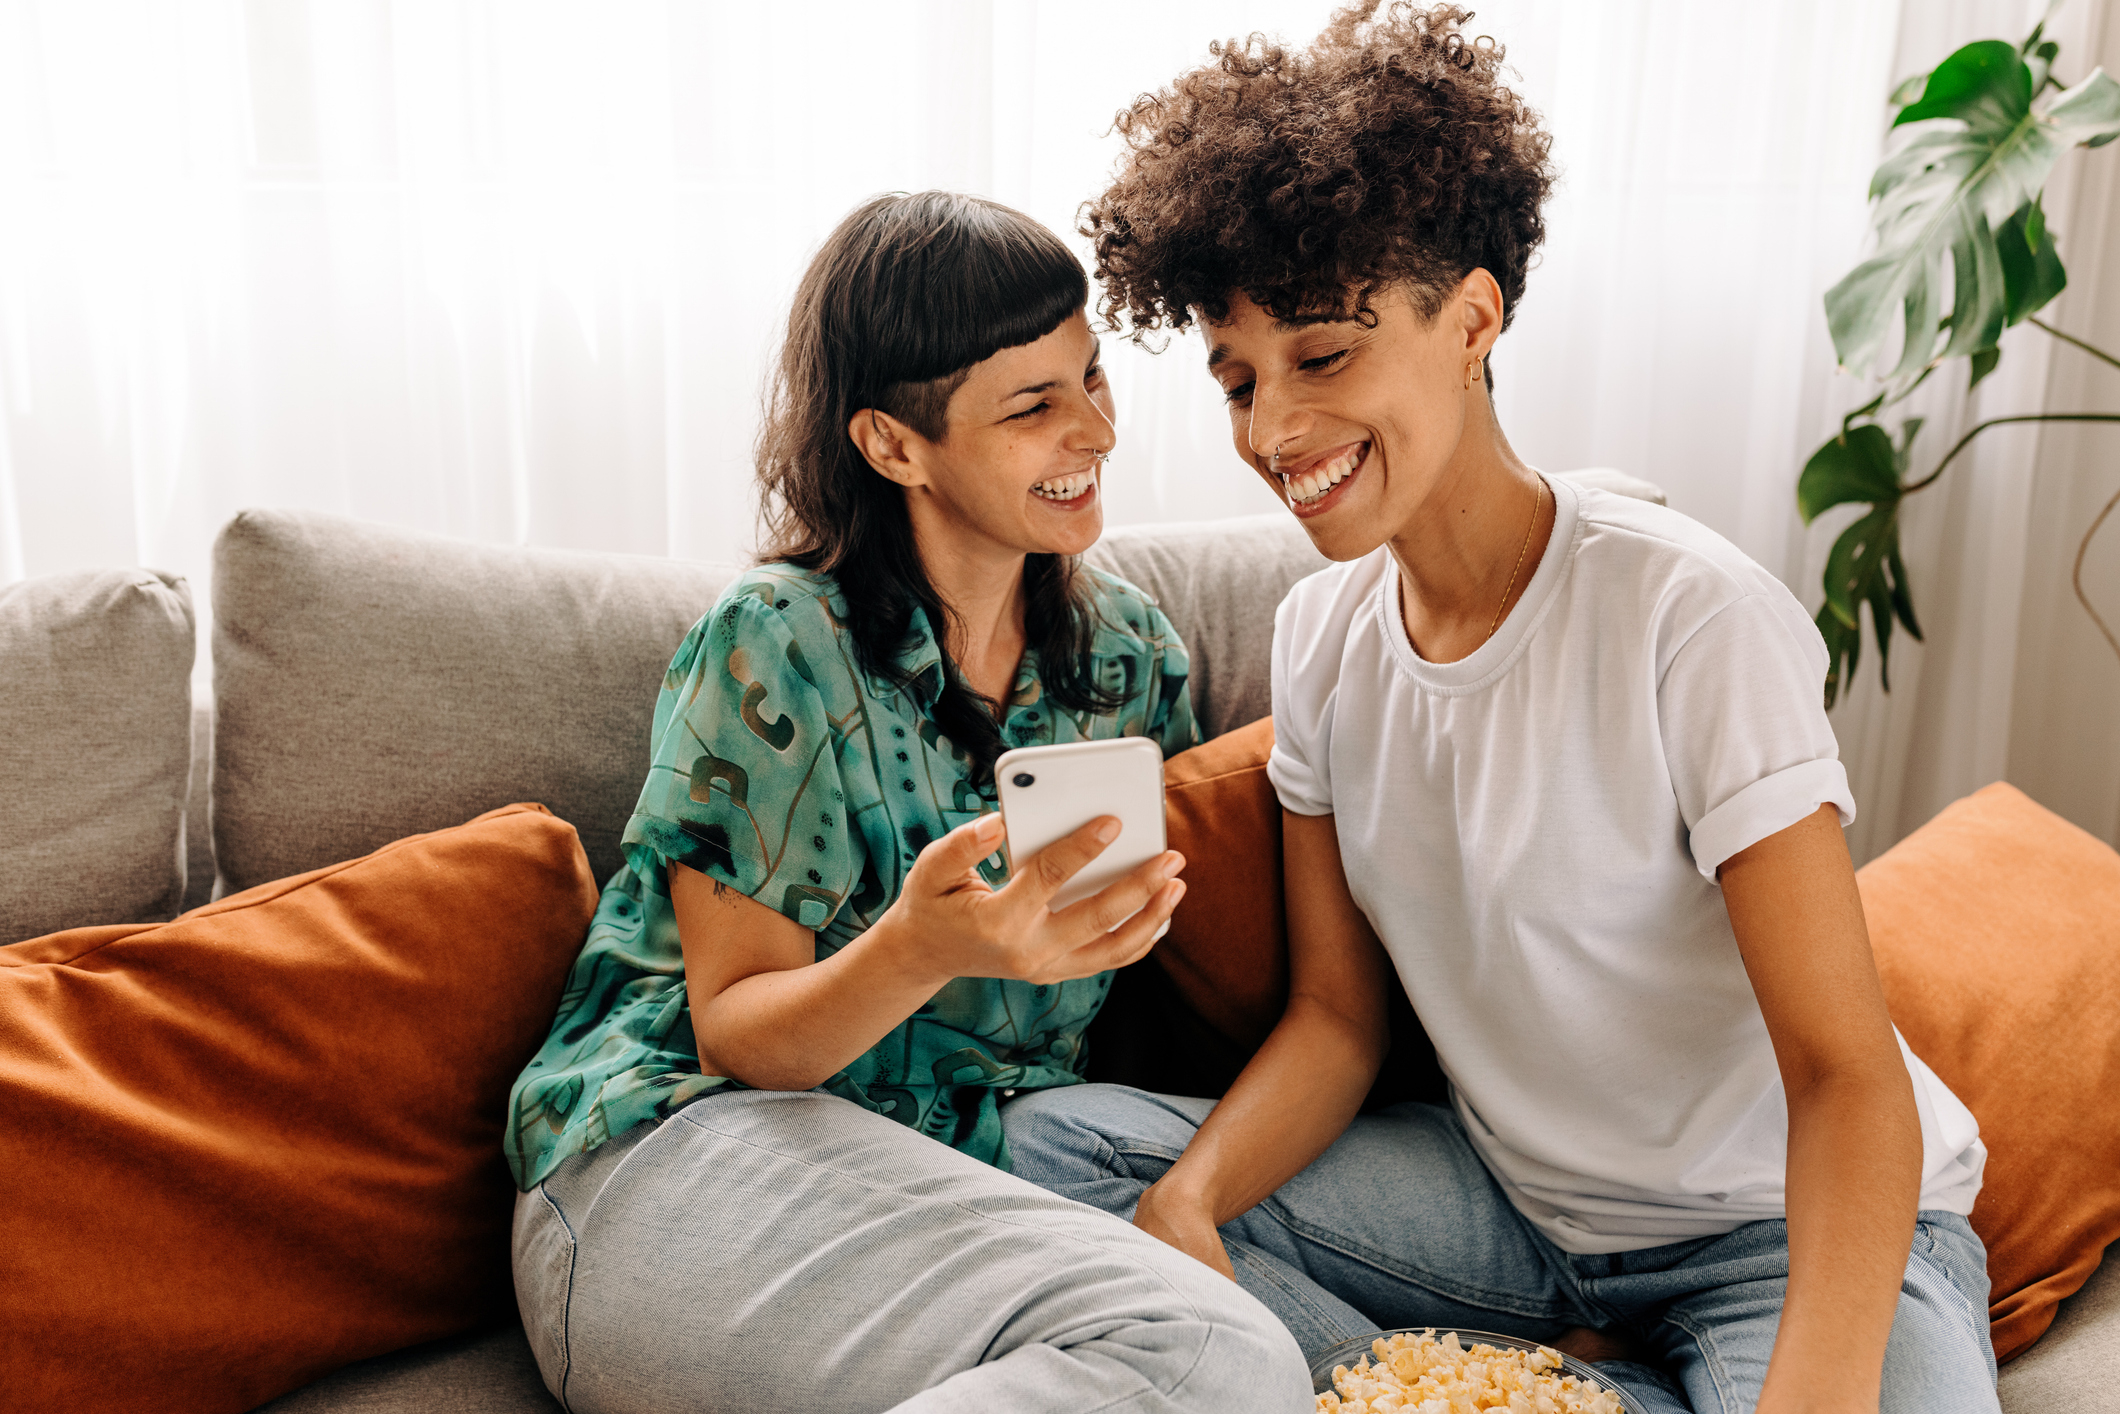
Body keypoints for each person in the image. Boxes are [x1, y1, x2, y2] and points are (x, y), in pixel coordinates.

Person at [1002, 8, 1998, 1413]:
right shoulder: (1325, 638)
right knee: (1061, 1154)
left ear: (1472, 319)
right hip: (1517, 1221)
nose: (1275, 431)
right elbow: (1340, 1024)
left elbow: (1845, 1076)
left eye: (1326, 356)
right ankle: (1487, 1385)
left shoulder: (1685, 617)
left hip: (1782, 1230)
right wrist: (1192, 1203)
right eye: (1239, 380)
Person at [501, 191, 1311, 1413]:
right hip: (678, 1150)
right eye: (1033, 407)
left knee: (1299, 1348)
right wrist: (920, 949)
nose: (1092, 430)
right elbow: (737, 1033)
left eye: (1092, 379)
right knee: (1210, 1356)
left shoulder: (1126, 658)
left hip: (963, 1163)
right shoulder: (776, 643)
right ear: (891, 446)